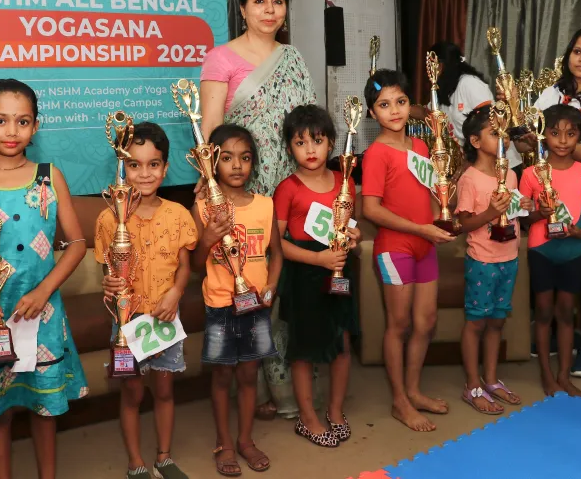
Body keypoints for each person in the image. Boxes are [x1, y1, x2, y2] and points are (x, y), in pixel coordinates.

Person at [0, 79, 89, 479]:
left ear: (36, 126)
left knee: (44, 410)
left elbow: (77, 243)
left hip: (42, 314)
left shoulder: (49, 176)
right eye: (0, 121)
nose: (12, 131)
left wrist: (44, 291)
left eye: (23, 121)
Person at [199, 0, 317, 421]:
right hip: (243, 185)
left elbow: (308, 121)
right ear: (243, 8)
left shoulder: (293, 58)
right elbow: (211, 127)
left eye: (278, 1)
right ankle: (267, 387)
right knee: (248, 278)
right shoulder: (220, 58)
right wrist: (212, 181)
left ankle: (292, 385)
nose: (270, 10)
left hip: (293, 185)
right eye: (260, 1)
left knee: (286, 281)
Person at [98, 122, 198, 479]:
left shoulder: (178, 214)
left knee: (165, 390)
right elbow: (108, 271)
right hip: (128, 323)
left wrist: (175, 293)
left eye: (153, 164)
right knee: (132, 394)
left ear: (165, 168)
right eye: (134, 165)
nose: (144, 173)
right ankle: (135, 462)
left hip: (166, 319)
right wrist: (109, 282)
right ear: (123, 168)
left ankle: (164, 458)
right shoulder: (108, 219)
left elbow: (184, 267)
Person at [361, 69, 456, 432]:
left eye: (400, 102)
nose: (395, 110)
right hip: (394, 248)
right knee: (398, 324)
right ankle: (399, 401)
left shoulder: (421, 147)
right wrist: (421, 228)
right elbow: (371, 210)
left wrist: (442, 220)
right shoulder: (375, 154)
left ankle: (414, 391)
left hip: (425, 246)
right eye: (384, 105)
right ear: (373, 113)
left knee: (425, 322)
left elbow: (430, 196)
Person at [192, 124, 282, 475]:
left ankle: (245, 440)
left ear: (253, 163)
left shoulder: (265, 205)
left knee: (248, 376)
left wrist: (271, 287)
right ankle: (224, 443)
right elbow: (195, 265)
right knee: (222, 378)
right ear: (211, 163)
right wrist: (207, 238)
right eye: (227, 158)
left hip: (256, 306)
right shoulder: (203, 208)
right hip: (219, 305)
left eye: (244, 158)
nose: (237, 165)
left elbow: (277, 255)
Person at [521, 26, 581, 378]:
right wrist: (528, 138)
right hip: (552, 199)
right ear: (568, 53)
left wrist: (558, 140)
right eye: (578, 51)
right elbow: (530, 143)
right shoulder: (551, 93)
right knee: (554, 270)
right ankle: (557, 335)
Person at [273, 104, 362, 447]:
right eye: (300, 143)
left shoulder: (345, 182)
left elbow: (350, 230)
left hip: (340, 271)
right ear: (289, 148)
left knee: (342, 342)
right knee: (304, 348)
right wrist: (318, 258)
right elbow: (277, 244)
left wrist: (354, 238)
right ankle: (307, 417)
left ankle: (335, 411)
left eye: (318, 140)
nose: (310, 149)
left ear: (332, 143)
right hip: (304, 275)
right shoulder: (288, 188)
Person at [456, 104, 532, 414]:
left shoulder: (511, 175)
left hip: (509, 257)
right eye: (494, 132)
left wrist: (523, 206)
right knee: (476, 323)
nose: (503, 137)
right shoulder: (470, 179)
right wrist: (490, 212)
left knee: (497, 321)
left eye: (504, 132)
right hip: (482, 261)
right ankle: (472, 384)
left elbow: (513, 212)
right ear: (475, 141)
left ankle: (490, 379)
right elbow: (463, 224)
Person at [410, 41, 522, 172]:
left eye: (430, 66)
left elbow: (490, 123)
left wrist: (467, 165)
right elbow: (426, 113)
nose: (428, 72)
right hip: (478, 165)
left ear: (439, 65)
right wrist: (402, 108)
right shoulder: (444, 91)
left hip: (502, 164)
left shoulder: (469, 83)